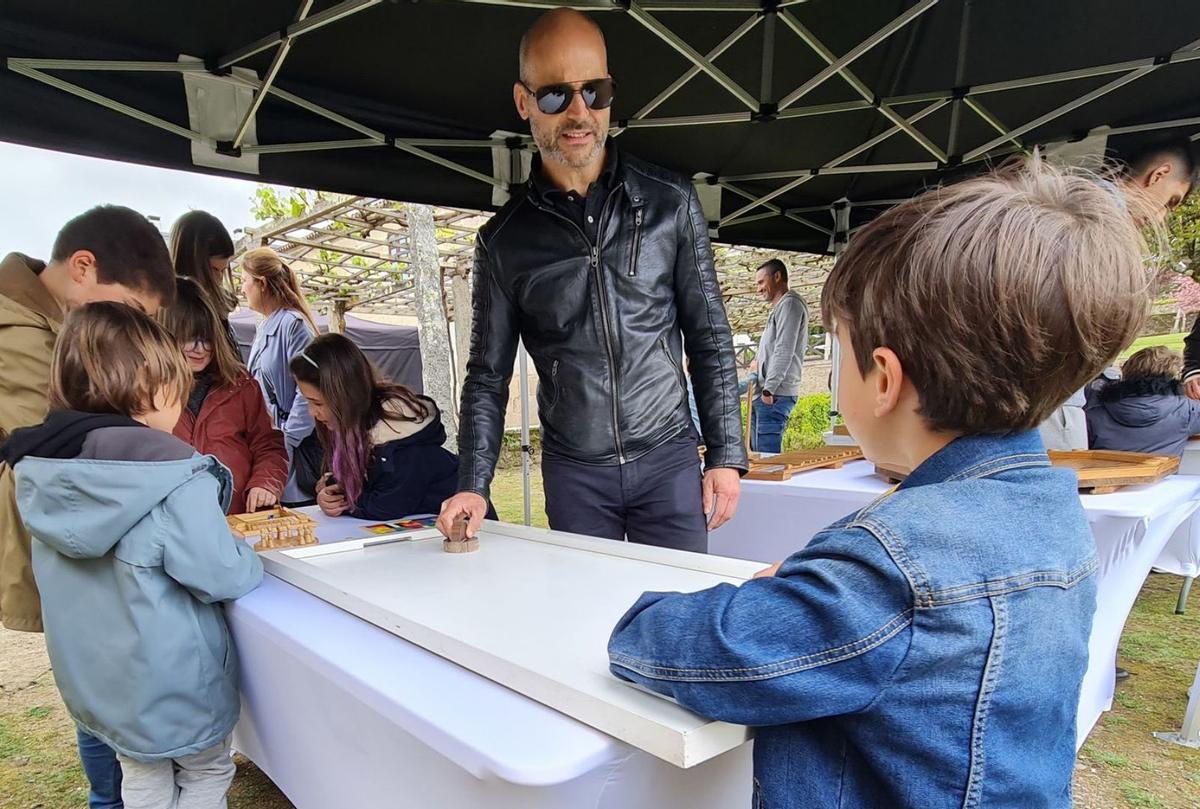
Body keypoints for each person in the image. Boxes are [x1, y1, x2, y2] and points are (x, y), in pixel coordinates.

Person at [607, 158, 1149, 807]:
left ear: (884, 380)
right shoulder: (1055, 514)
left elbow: (699, 649)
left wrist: (746, 600)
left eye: (839, 349)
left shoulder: (890, 566)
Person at [439, 9, 746, 553]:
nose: (579, 112)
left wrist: (725, 454)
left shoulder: (670, 201)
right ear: (524, 102)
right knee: (587, 608)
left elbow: (710, 336)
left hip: (668, 456)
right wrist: (473, 483)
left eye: (595, 91)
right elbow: (488, 375)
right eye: (556, 95)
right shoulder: (504, 241)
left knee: (681, 604)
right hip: (575, 474)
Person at [0, 302, 263, 809]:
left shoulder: (39, 469)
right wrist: (245, 554)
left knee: (140, 773)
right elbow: (219, 574)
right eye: (176, 384)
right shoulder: (174, 474)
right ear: (148, 383)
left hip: (103, 684)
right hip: (175, 681)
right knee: (206, 770)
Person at [0, 204, 175, 809]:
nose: (133, 334)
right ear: (82, 267)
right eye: (133, 312)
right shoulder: (15, 333)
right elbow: (57, 450)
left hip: (79, 545)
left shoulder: (51, 324)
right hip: (67, 547)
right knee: (99, 697)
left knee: (100, 693)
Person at [289, 333, 494, 522]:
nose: (311, 412)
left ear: (344, 397)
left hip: (474, 530)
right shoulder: (359, 432)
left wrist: (344, 502)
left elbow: (385, 506)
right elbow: (366, 484)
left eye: (317, 403)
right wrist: (331, 493)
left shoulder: (404, 445)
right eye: (308, 402)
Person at [161, 277, 289, 514]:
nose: (200, 348)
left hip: (236, 518)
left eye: (207, 338)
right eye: (189, 338)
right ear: (167, 336)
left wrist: (265, 482)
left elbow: (269, 445)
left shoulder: (241, 384)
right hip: (171, 521)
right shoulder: (147, 391)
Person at [241, 246, 320, 504]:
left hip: (291, 452)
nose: (242, 289)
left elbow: (308, 391)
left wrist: (288, 440)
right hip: (270, 447)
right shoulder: (266, 326)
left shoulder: (293, 324)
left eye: (244, 280)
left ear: (261, 284)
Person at [1087, 346, 1200, 456]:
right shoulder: (1187, 411)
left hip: (1107, 468)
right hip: (1162, 469)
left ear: (1126, 371)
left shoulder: (1094, 412)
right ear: (1171, 377)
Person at [751, 259, 809, 453]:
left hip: (775, 394)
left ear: (777, 277)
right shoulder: (781, 307)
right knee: (759, 456)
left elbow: (784, 349)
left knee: (768, 460)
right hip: (768, 392)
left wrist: (769, 390)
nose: (758, 289)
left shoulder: (790, 304)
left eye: (761, 282)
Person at [170, 210, 238, 355]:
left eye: (223, 270)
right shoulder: (161, 312)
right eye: (213, 270)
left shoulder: (220, 308)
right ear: (188, 262)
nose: (219, 279)